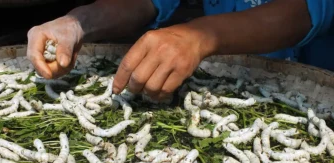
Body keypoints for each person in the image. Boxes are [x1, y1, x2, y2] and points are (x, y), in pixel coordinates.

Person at [27, 0, 334, 101]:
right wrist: (78, 23)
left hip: (311, 90)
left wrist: (199, 36)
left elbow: (307, 9)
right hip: (226, 86)